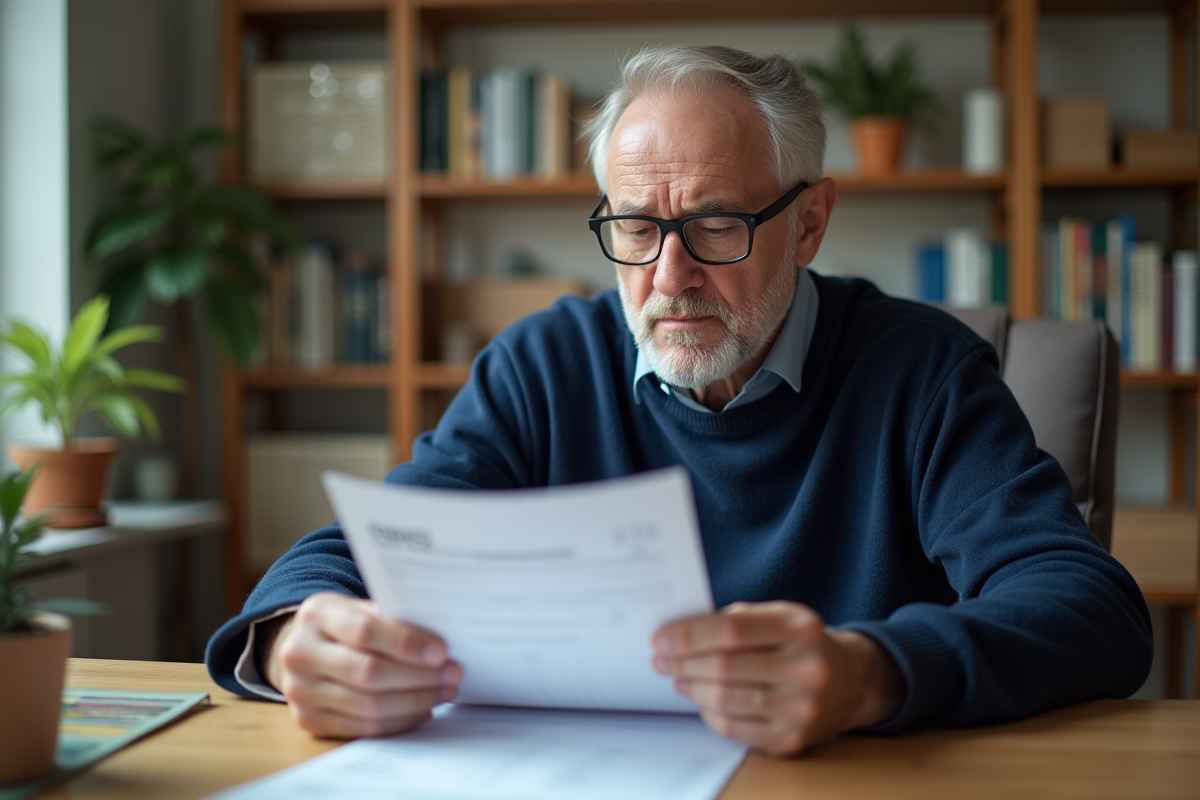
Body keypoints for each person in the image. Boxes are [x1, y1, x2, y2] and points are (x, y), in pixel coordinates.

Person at [206, 44, 1152, 757]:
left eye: (715, 224)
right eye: (635, 227)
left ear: (809, 222)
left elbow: (1088, 606)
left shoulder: (923, 371)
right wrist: (294, 641)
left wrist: (873, 672)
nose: (669, 277)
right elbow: (373, 545)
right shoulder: (544, 365)